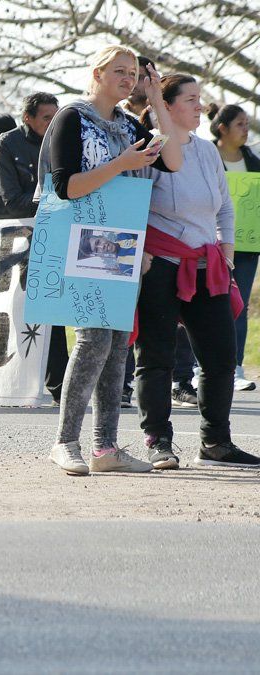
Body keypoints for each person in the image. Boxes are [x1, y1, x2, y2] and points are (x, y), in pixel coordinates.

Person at [39, 45, 182, 476]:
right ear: (97, 73)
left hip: (121, 241)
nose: (127, 78)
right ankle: (65, 442)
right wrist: (121, 163)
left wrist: (157, 100)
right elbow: (67, 187)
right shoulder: (72, 117)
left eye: (132, 73)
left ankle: (106, 448)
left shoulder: (129, 123)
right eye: (118, 71)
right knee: (92, 341)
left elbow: (172, 160)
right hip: (79, 236)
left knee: (119, 344)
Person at [133, 73, 260, 469]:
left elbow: (223, 204)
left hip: (208, 265)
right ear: (165, 106)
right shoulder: (149, 149)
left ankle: (216, 443)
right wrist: (139, 253)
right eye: (190, 99)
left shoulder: (206, 150)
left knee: (221, 357)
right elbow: (132, 202)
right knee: (156, 357)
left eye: (200, 98)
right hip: (160, 263)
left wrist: (224, 250)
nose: (200, 106)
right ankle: (158, 440)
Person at [0, 93, 63, 400]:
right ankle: (1, 379)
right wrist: (59, 201)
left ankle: (57, 384)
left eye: (56, 116)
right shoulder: (6, 143)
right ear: (27, 118)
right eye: (46, 117)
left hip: (45, 230)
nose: (53, 123)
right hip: (4, 232)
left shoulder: (61, 141)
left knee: (49, 303)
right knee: (6, 310)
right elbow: (11, 201)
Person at [208, 102, 260, 392]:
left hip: (247, 246)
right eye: (240, 124)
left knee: (238, 306)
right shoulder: (206, 155)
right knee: (208, 304)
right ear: (222, 128)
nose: (245, 129)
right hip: (211, 245)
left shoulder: (254, 161)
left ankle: (235, 366)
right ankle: (200, 366)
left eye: (247, 124)